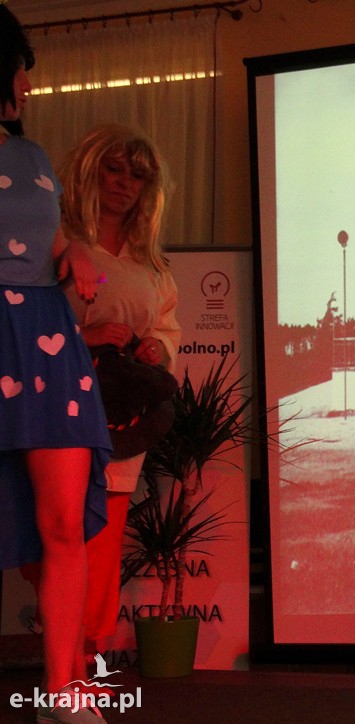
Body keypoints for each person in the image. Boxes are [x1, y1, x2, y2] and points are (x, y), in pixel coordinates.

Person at [0, 6, 110, 722]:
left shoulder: (34, 157)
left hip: (45, 331)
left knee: (63, 522)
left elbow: (52, 238)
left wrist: (71, 255)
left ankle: (62, 693)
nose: (28, 85)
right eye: (20, 67)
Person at [57, 123, 181, 653]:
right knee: (56, 539)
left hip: (121, 417)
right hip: (56, 410)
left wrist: (157, 350)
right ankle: (62, 657)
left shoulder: (151, 265)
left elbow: (168, 329)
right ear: (89, 170)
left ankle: (89, 657)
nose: (124, 183)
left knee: (103, 546)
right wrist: (83, 338)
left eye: (137, 174)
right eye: (114, 168)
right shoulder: (55, 243)